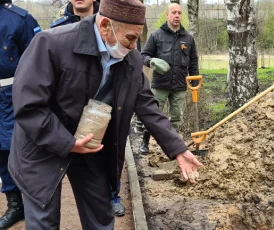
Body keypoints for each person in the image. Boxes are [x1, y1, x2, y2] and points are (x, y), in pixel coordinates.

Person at [9, 0, 202, 228]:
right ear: (104, 26)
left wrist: (178, 149)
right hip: (42, 142)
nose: (133, 46)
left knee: (100, 216)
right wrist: (67, 141)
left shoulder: (130, 59)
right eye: (129, 38)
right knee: (44, 222)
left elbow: (148, 106)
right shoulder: (52, 44)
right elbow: (28, 104)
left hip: (89, 143)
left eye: (137, 38)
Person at [49, 0, 125, 218]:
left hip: (101, 117)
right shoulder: (57, 32)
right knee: (49, 189)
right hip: (64, 122)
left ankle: (113, 196)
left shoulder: (115, 26)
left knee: (106, 159)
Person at [0, 1, 40, 229]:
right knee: (1, 156)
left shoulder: (21, 19)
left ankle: (36, 205)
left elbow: (40, 62)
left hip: (15, 97)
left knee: (24, 151)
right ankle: (15, 206)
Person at [139, 3, 199, 154]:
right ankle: (145, 142)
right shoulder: (156, 35)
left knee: (177, 117)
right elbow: (143, 55)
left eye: (179, 13)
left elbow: (193, 62)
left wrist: (195, 80)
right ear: (167, 15)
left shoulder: (188, 38)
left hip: (180, 84)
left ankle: (172, 145)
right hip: (160, 84)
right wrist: (150, 62)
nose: (177, 15)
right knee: (153, 113)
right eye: (173, 12)